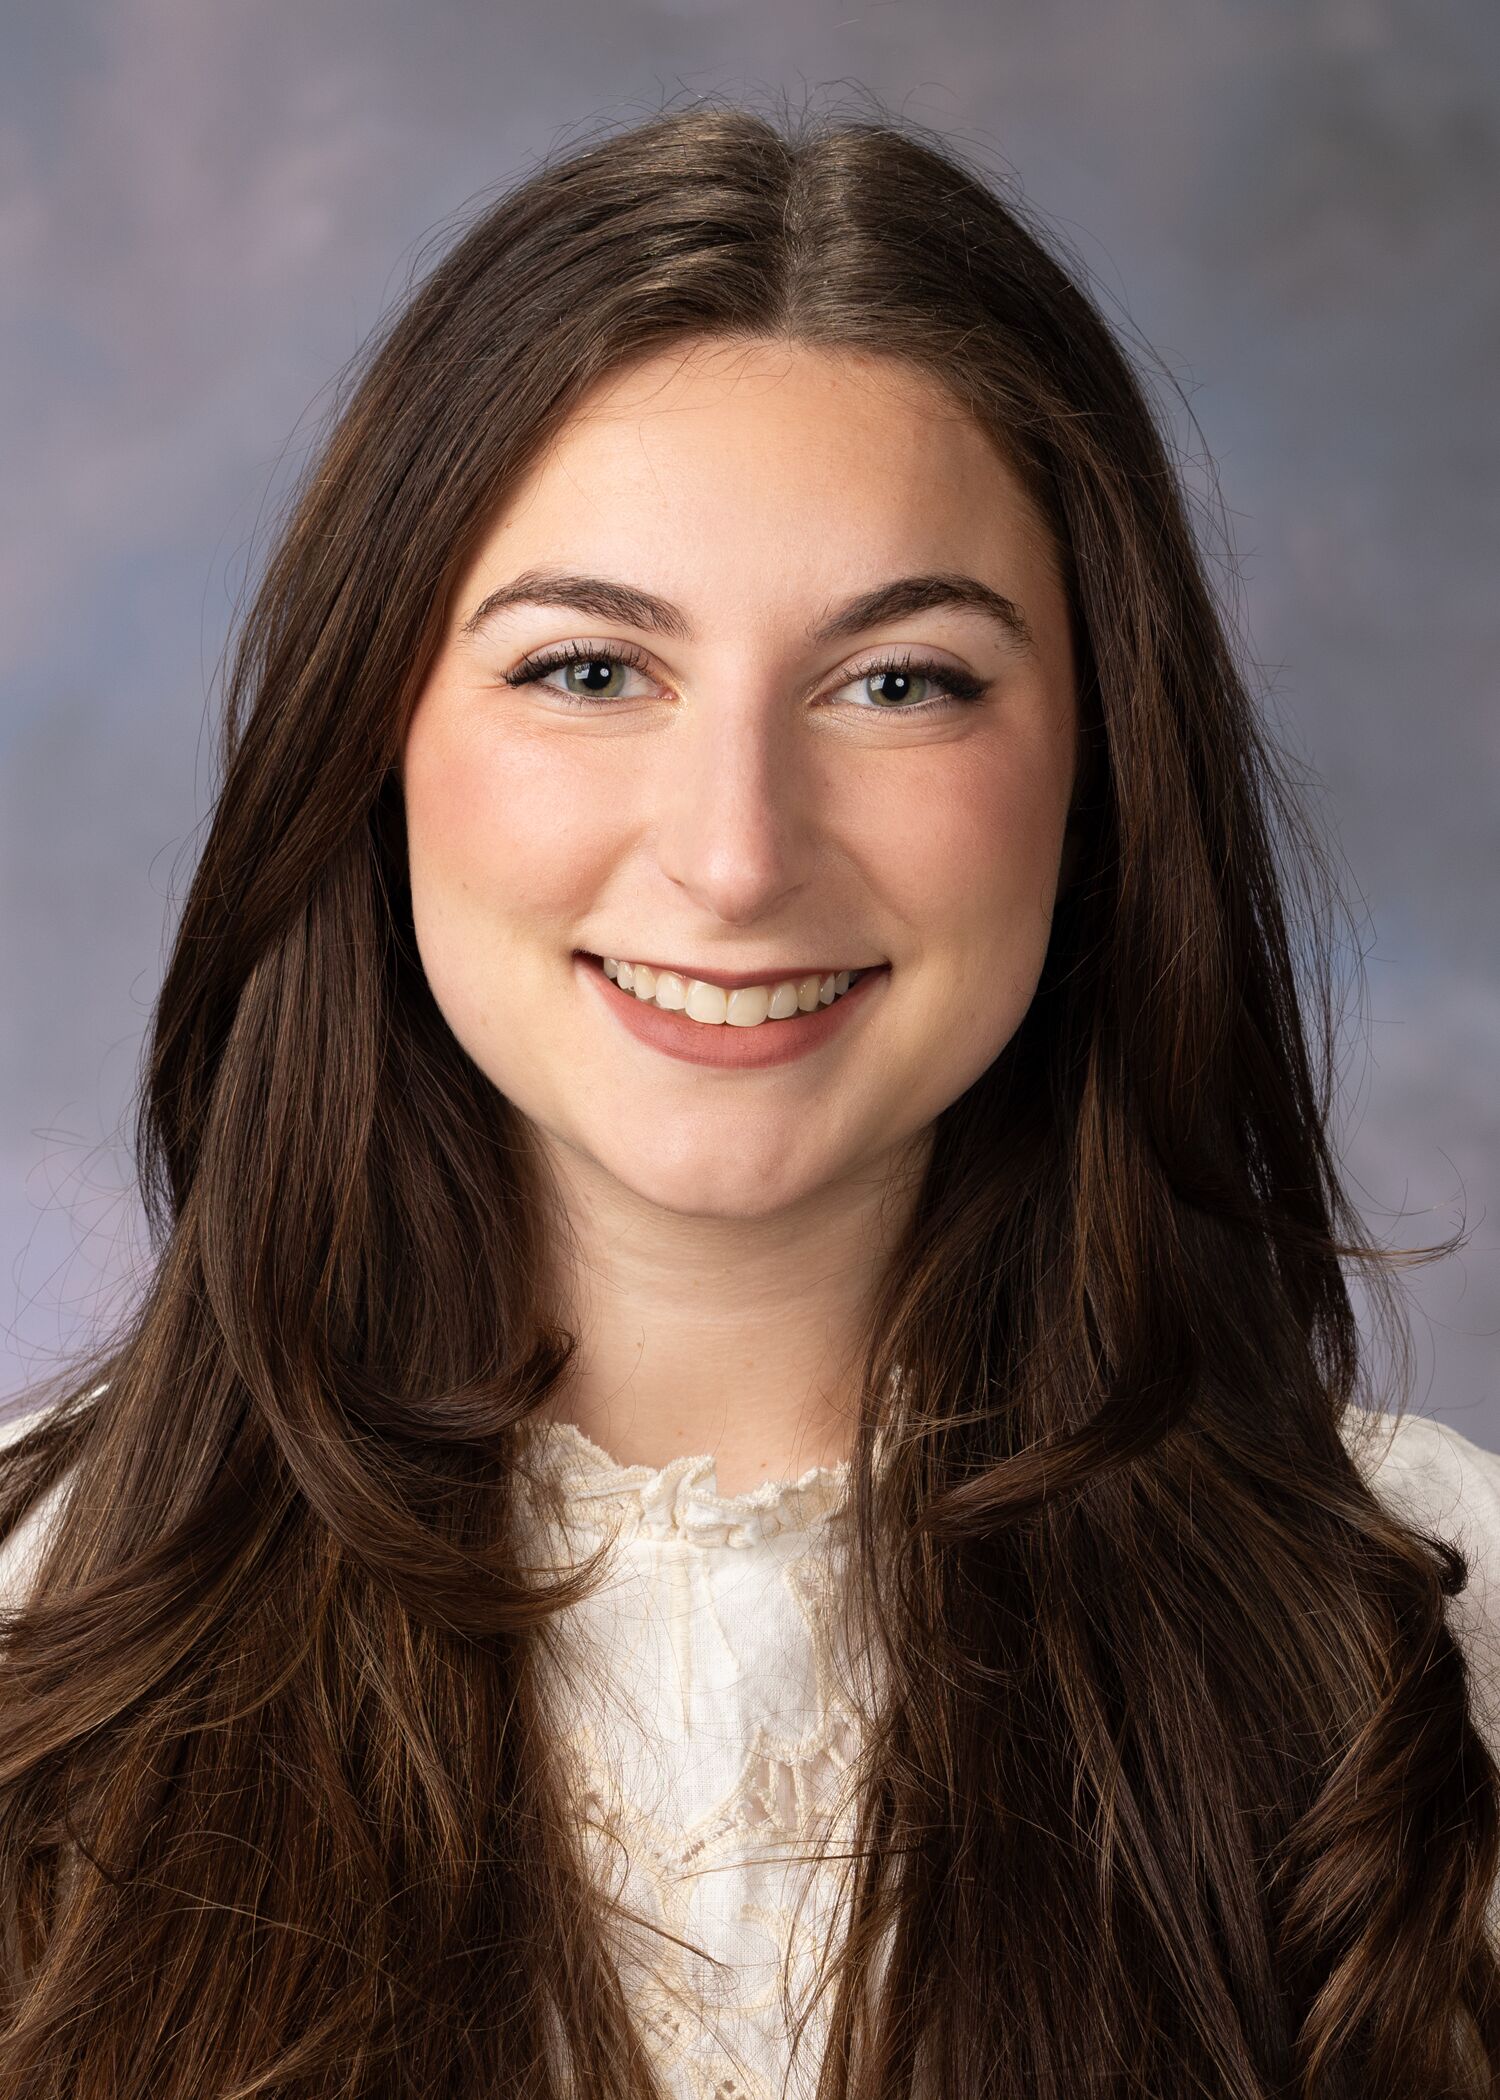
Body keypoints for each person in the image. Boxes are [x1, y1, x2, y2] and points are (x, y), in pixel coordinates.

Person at [0, 98, 1497, 2100]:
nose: (733, 853)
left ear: (1101, 773)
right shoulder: (33, 1640)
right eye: (589, 671)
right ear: (377, 743)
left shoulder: (1432, 1659)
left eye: (901, 684)